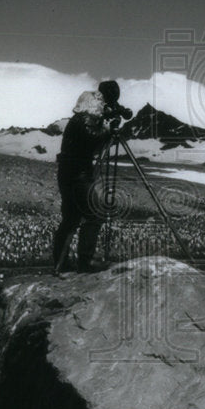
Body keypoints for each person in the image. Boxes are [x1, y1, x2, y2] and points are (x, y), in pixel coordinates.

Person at [52, 80, 131, 273]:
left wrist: (107, 131)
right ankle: (85, 262)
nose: (102, 108)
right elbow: (93, 139)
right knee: (95, 214)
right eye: (100, 105)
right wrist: (109, 131)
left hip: (69, 174)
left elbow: (93, 145)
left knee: (70, 219)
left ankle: (60, 264)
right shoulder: (84, 120)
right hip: (79, 176)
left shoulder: (77, 120)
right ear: (91, 105)